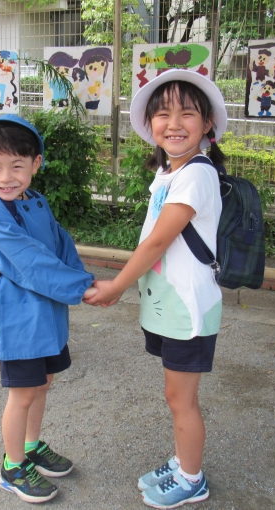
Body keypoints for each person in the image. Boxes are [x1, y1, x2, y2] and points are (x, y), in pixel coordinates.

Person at [83, 69, 227, 508]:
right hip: (168, 304)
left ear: (207, 126)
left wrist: (117, 287)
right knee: (174, 395)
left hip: (188, 307)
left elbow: (159, 241)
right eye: (163, 114)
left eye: (187, 113)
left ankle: (192, 479)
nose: (174, 123)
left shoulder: (196, 174)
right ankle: (184, 462)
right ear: (150, 126)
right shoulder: (170, 173)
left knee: (181, 400)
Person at [0, 114, 96, 504]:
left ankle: (31, 445)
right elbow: (29, 263)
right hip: (18, 320)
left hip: (48, 317)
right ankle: (11, 466)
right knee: (22, 393)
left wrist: (86, 281)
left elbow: (61, 245)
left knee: (42, 385)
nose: (6, 177)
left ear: (36, 165)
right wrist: (83, 288)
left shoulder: (35, 200)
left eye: (17, 167)